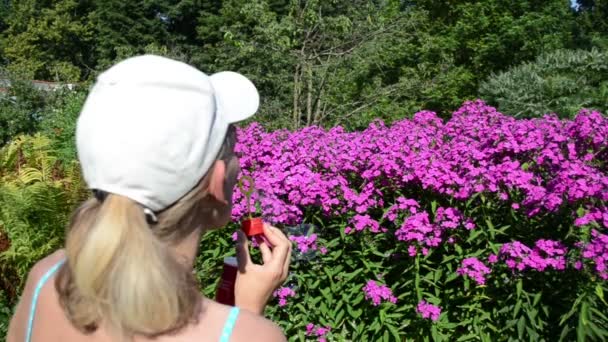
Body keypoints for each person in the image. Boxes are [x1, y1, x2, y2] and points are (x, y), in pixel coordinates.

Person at [7, 55, 292, 342]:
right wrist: (246, 315)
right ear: (216, 182)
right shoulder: (248, 335)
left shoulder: (47, 278)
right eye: (232, 150)